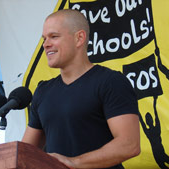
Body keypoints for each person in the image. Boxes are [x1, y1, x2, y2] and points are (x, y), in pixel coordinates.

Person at [22, 9, 140, 169]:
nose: (46, 44)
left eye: (54, 36)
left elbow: (129, 144)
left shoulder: (110, 82)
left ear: (79, 38)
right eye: (44, 38)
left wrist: (74, 163)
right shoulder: (43, 91)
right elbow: (26, 153)